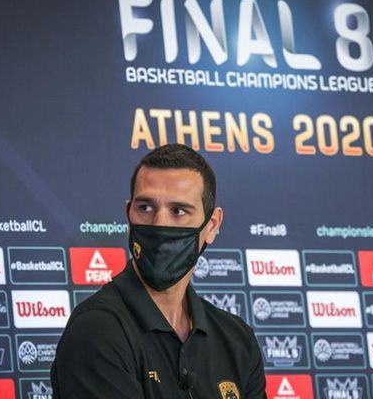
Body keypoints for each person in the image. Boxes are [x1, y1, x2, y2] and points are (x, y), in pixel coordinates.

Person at [51, 144, 266, 398]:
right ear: (128, 215)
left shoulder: (237, 339)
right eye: (145, 208)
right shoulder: (96, 330)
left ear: (211, 225)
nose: (159, 224)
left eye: (178, 211)